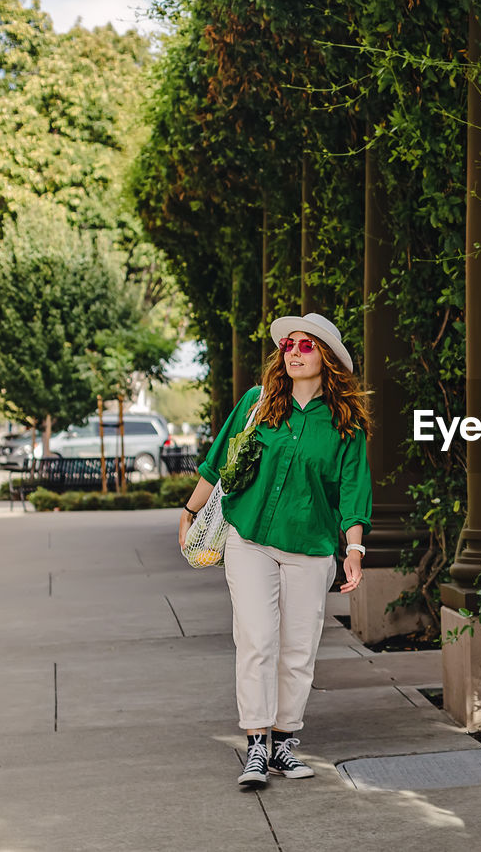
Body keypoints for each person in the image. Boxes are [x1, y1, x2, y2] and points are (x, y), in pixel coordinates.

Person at [178, 313, 373, 789]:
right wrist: (189, 512)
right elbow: (219, 460)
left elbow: (353, 491)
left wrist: (354, 549)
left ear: (324, 358)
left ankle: (285, 740)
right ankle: (257, 745)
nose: (293, 351)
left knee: (298, 649)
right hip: (250, 540)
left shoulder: (345, 423)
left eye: (305, 346)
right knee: (257, 640)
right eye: (289, 344)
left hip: (309, 547)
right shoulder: (258, 403)